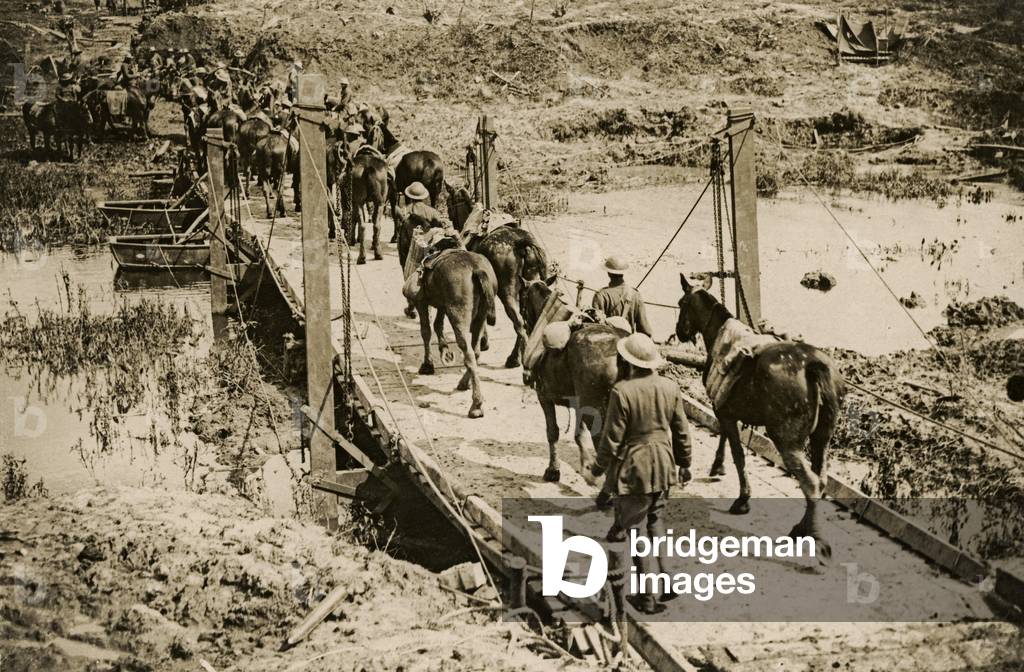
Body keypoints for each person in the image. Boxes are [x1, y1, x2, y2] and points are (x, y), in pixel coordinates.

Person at [593, 332, 692, 614]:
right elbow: (681, 431)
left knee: (635, 532)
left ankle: (647, 597)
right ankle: (668, 580)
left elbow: (611, 439)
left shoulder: (621, 392)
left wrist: (597, 469)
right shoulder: (670, 387)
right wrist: (685, 463)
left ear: (629, 362)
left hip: (636, 466)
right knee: (656, 521)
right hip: (663, 462)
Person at [591, 256, 653, 337]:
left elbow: (596, 329)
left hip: (607, 346)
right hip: (628, 345)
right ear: (623, 273)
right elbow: (645, 330)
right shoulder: (635, 294)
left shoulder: (601, 295)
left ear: (608, 273)